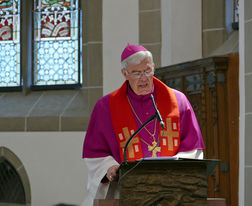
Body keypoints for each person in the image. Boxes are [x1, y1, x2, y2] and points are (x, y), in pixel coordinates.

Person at [81, 44, 205, 205]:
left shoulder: (178, 101)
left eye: (147, 71)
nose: (144, 78)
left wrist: (177, 168)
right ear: (125, 73)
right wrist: (110, 167)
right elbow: (95, 153)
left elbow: (192, 148)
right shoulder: (106, 107)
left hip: (172, 192)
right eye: (137, 73)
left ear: (153, 68)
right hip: (127, 192)